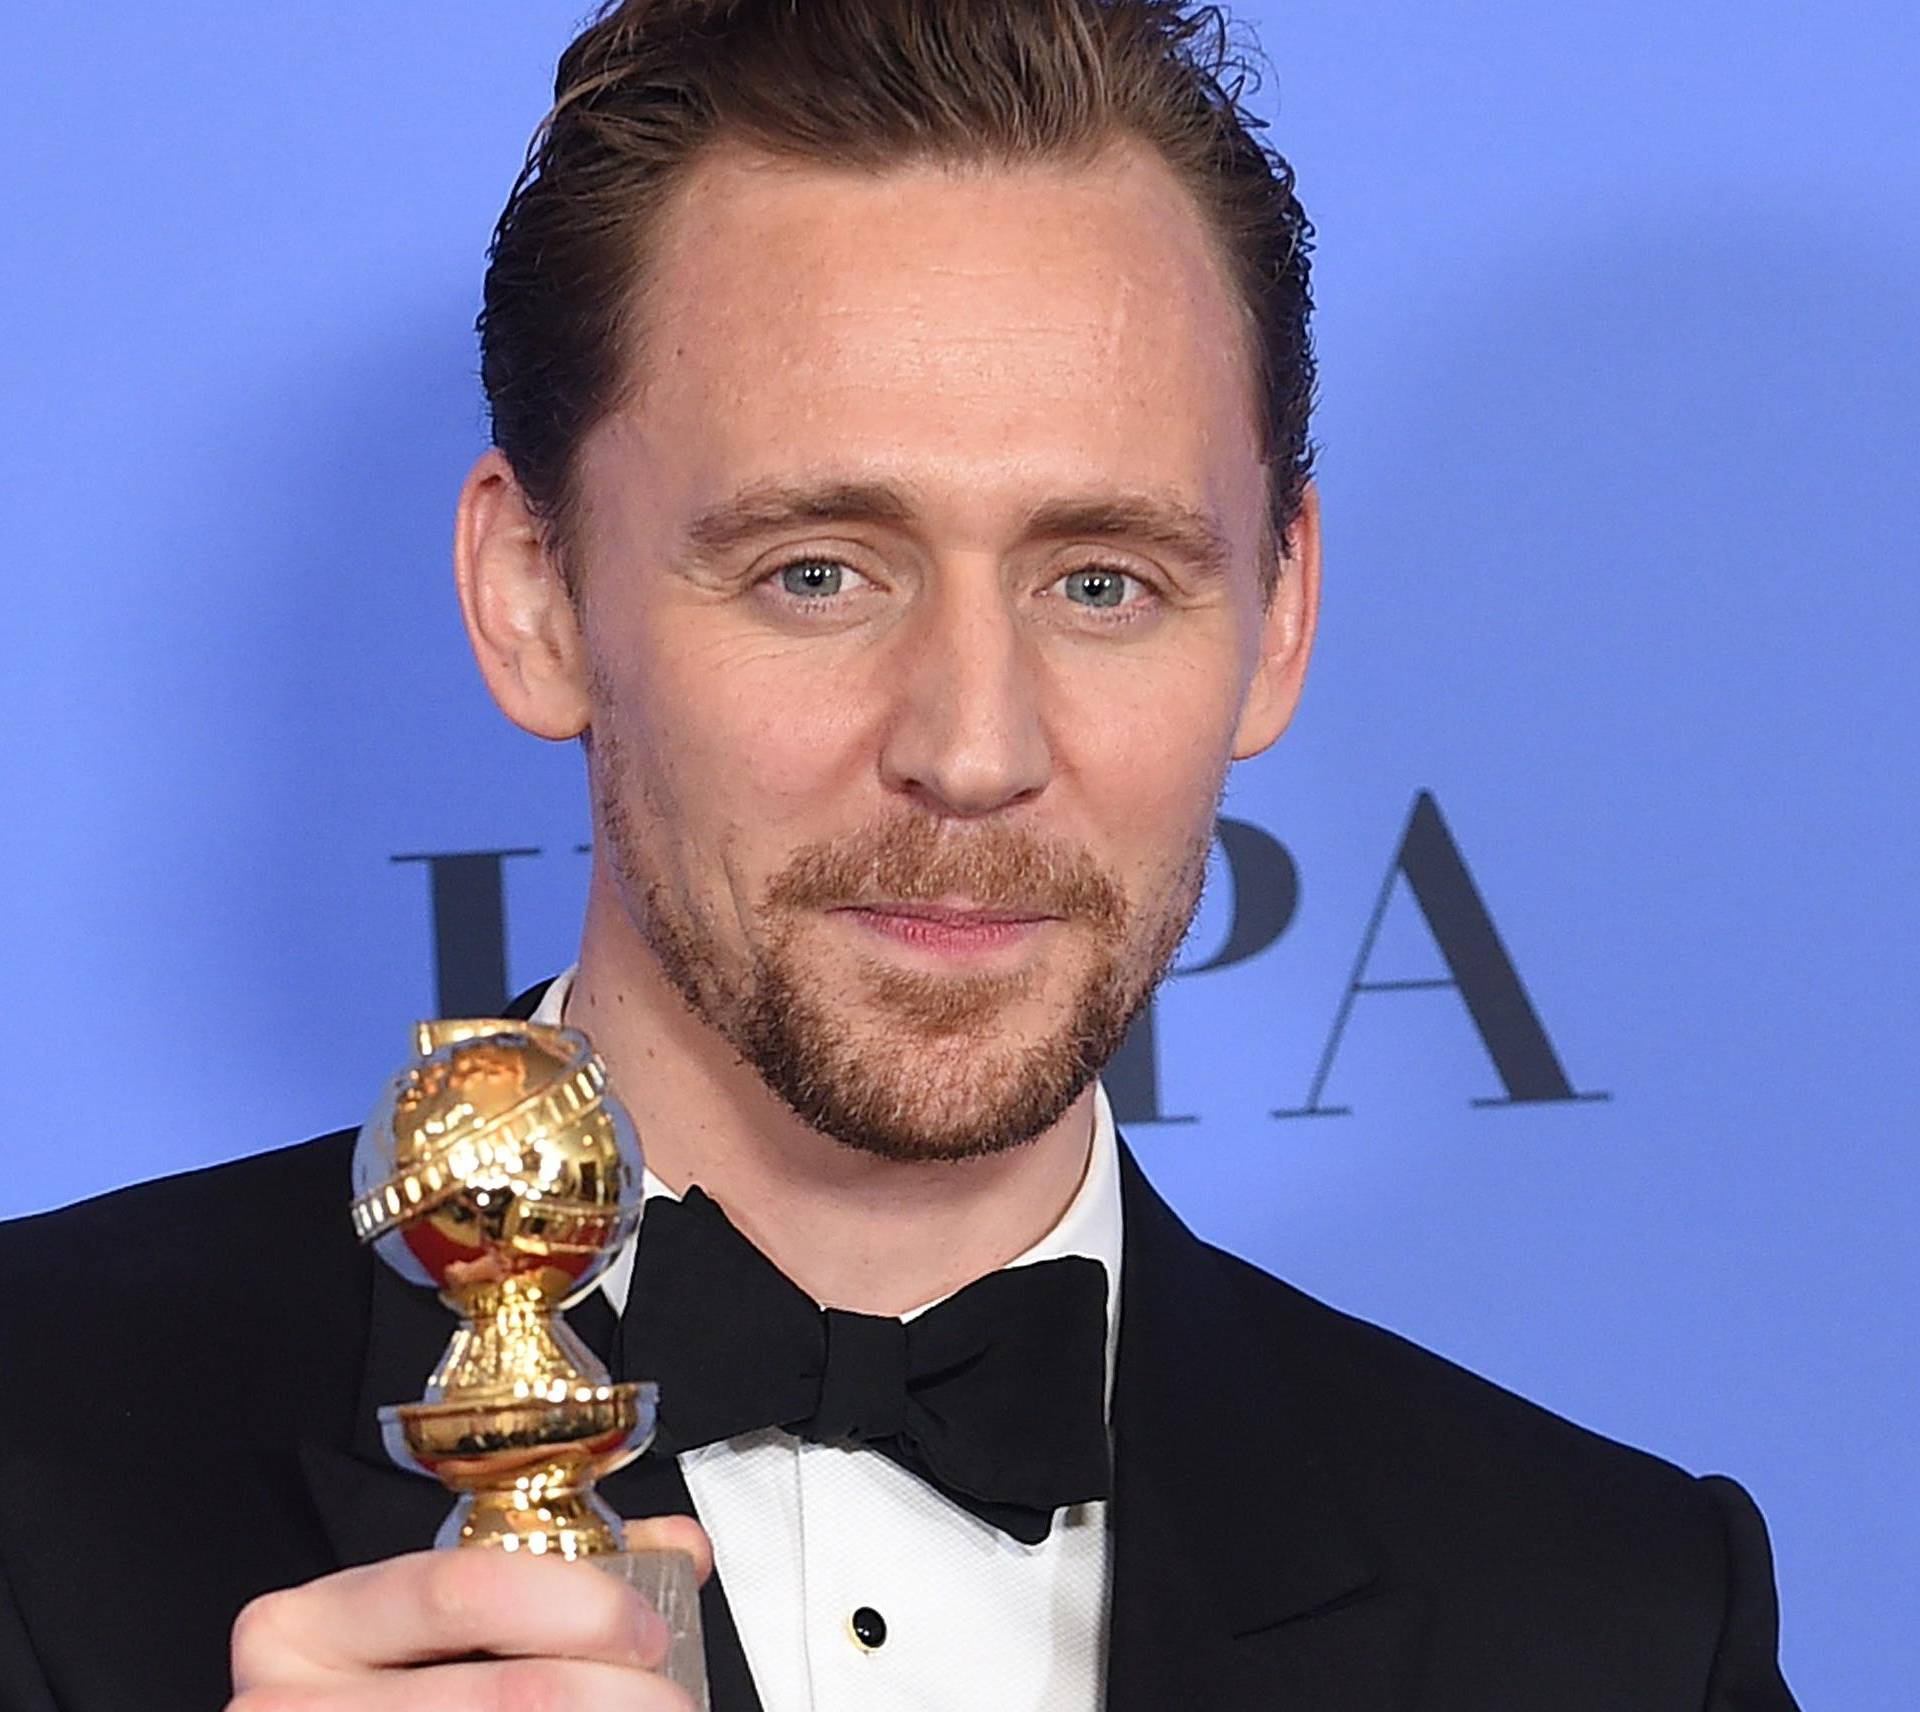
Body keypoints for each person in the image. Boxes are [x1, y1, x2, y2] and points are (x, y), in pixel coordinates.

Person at [0, 2, 1800, 1708]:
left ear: (1277, 619)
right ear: (533, 595)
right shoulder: (42, 1461)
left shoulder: (1612, 1612)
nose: (972, 750)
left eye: (1102, 582)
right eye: (816, 573)